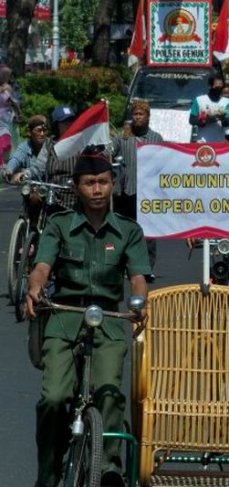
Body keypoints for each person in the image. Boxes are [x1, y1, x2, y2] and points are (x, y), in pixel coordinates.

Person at [25, 149, 151, 487]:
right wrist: (35, 288)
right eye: (89, 183)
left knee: (110, 393)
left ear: (112, 185)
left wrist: (139, 301)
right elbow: (42, 266)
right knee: (54, 398)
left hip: (108, 318)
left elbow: (138, 276)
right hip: (65, 317)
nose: (97, 190)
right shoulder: (59, 224)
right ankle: (49, 472)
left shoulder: (128, 230)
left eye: (103, 182)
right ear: (76, 187)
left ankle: (108, 466)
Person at [112, 100, 163, 281]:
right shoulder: (123, 137)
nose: (138, 117)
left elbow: (164, 162)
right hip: (127, 191)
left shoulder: (156, 138)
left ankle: (147, 268)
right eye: (135, 114)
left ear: (148, 117)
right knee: (125, 231)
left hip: (149, 192)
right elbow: (109, 153)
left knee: (148, 234)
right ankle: (125, 267)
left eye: (141, 114)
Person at [29, 105, 79, 212]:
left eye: (71, 121)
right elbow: (38, 167)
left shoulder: (80, 143)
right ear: (56, 125)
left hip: (75, 193)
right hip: (52, 193)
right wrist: (26, 174)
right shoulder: (49, 144)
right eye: (64, 122)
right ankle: (34, 227)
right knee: (33, 199)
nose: (69, 124)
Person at [189, 74, 229, 142]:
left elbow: (227, 122)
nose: (218, 89)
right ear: (210, 86)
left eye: (220, 87)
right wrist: (205, 121)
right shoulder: (199, 100)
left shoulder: (227, 103)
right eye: (216, 87)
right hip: (202, 142)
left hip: (219, 142)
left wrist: (222, 118)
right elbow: (192, 120)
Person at [3, 115, 47, 183]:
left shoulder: (51, 147)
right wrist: (9, 170)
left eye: (44, 130)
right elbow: (16, 159)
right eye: (39, 130)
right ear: (30, 132)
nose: (42, 134)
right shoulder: (25, 147)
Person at [0, 65, 19, 163]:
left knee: (9, 140)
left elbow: (13, 102)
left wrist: (17, 113)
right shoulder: (6, 87)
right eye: (6, 75)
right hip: (4, 118)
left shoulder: (9, 87)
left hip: (7, 118)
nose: (8, 77)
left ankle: (10, 160)